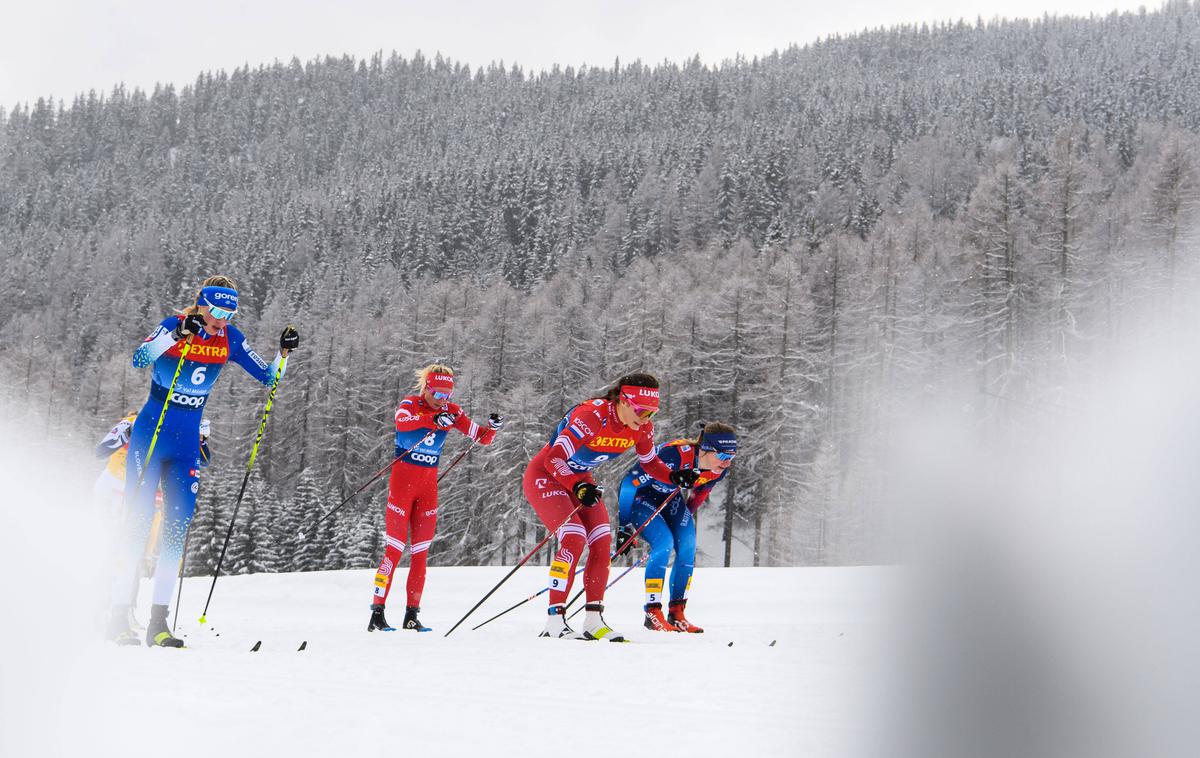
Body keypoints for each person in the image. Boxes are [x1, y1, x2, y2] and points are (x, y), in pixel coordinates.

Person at [108, 275, 299, 647]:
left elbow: (269, 378)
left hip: (186, 443)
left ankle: (158, 625)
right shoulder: (173, 324)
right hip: (153, 432)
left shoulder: (230, 338)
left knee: (177, 531)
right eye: (216, 311)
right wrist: (178, 334)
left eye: (230, 313)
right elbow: (139, 358)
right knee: (138, 523)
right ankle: (117, 616)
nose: (221, 320)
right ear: (201, 304)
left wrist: (284, 355)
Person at [522, 372, 697, 641]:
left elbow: (650, 463)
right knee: (573, 536)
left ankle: (593, 619)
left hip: (580, 480)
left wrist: (673, 476)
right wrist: (576, 485)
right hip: (547, 476)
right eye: (641, 411)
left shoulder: (642, 428)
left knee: (602, 539)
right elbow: (554, 459)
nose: (646, 418)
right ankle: (555, 620)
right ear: (622, 401)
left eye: (652, 413)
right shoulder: (591, 416)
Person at [368, 364, 503, 633]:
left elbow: (481, 438)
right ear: (427, 389)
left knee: (420, 554)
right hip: (402, 485)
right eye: (437, 394)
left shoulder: (451, 411)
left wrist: (493, 427)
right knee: (394, 550)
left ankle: (411, 616)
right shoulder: (411, 404)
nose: (442, 400)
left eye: (447, 395)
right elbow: (402, 423)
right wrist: (431, 421)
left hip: (428, 489)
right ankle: (377, 613)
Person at [95, 413, 212, 631]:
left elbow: (204, 460)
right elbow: (102, 450)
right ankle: (101, 607)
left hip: (150, 497)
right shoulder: (137, 419)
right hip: (116, 490)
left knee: (137, 554)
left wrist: (201, 439)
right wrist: (125, 433)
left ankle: (125, 609)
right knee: (115, 549)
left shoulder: (183, 428)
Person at [616, 422, 737, 633]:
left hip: (669, 498)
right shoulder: (674, 455)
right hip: (641, 498)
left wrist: (683, 519)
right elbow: (629, 483)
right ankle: (652, 612)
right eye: (724, 457)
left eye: (731, 457)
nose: (727, 463)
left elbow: (700, 494)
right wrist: (624, 526)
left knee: (687, 544)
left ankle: (677, 613)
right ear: (706, 449)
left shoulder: (717, 469)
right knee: (664, 544)